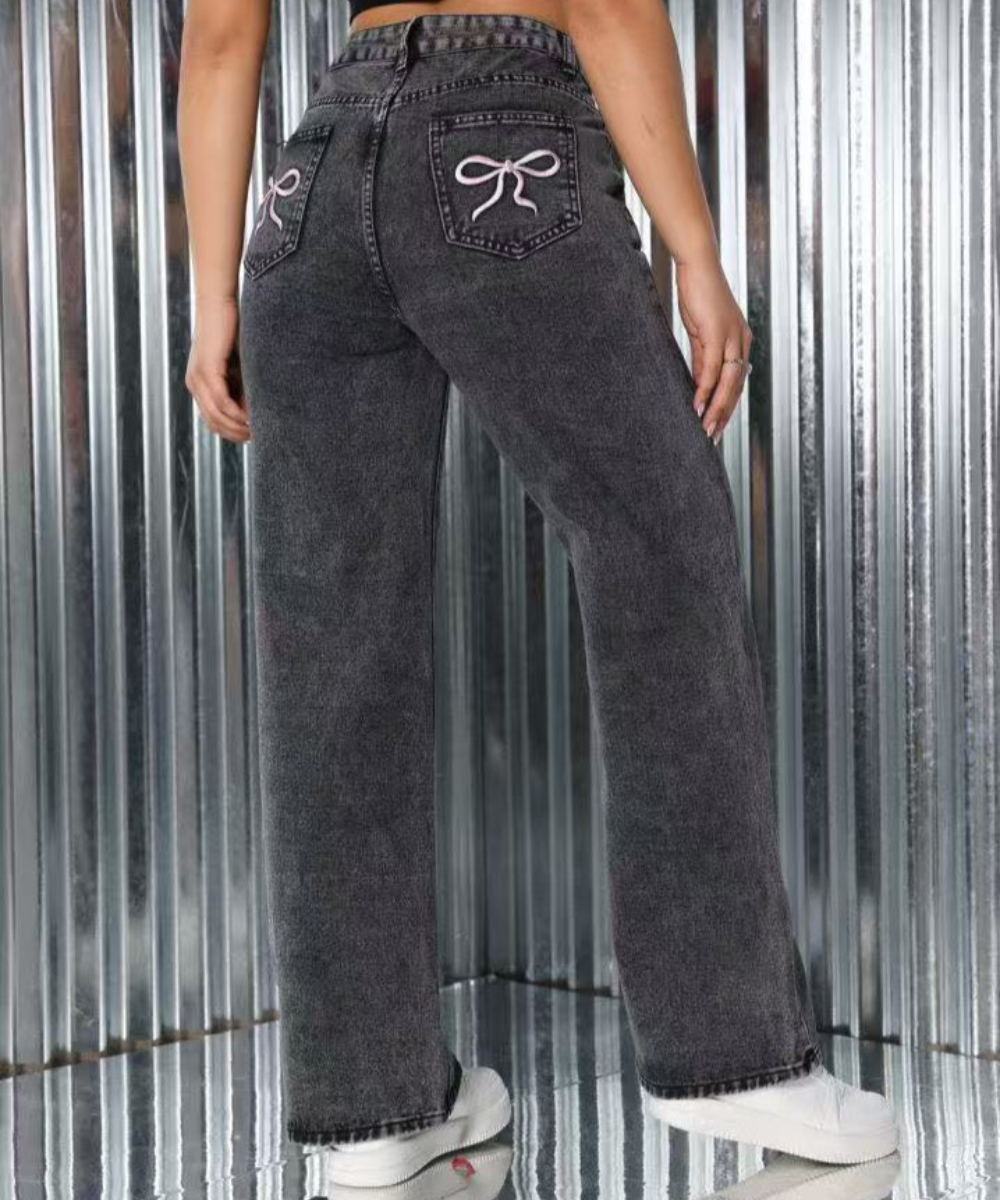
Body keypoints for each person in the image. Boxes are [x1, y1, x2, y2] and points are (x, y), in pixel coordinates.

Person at [178, 0, 900, 1188]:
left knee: (331, 642)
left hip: (311, 186)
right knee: (659, 556)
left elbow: (217, 39)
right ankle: (733, 1057)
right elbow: (606, 6)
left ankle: (373, 1111)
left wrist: (214, 296)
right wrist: (695, 253)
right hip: (502, 144)